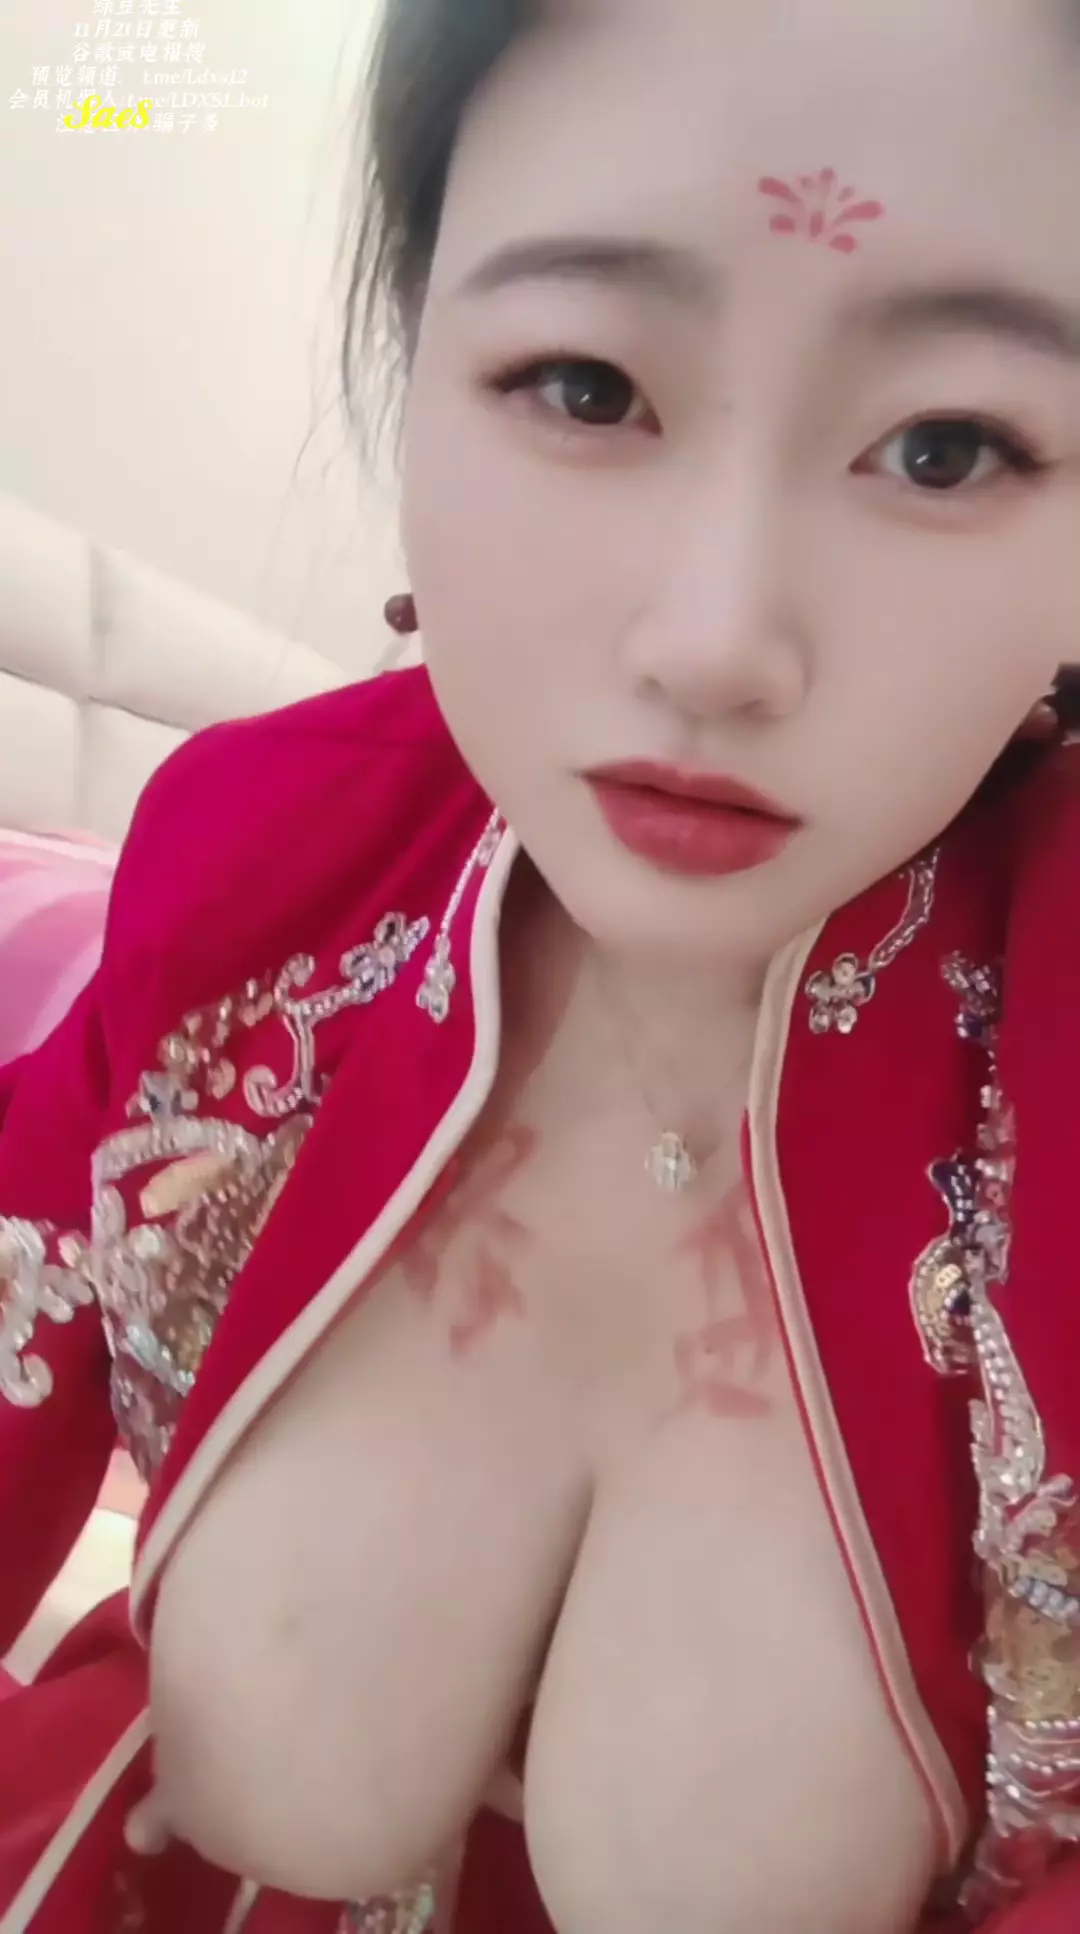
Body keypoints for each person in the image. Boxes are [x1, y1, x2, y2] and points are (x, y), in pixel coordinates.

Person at [4, 0, 1080, 1928]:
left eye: (948, 446)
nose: (716, 641)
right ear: (414, 358)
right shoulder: (258, 859)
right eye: (587, 387)